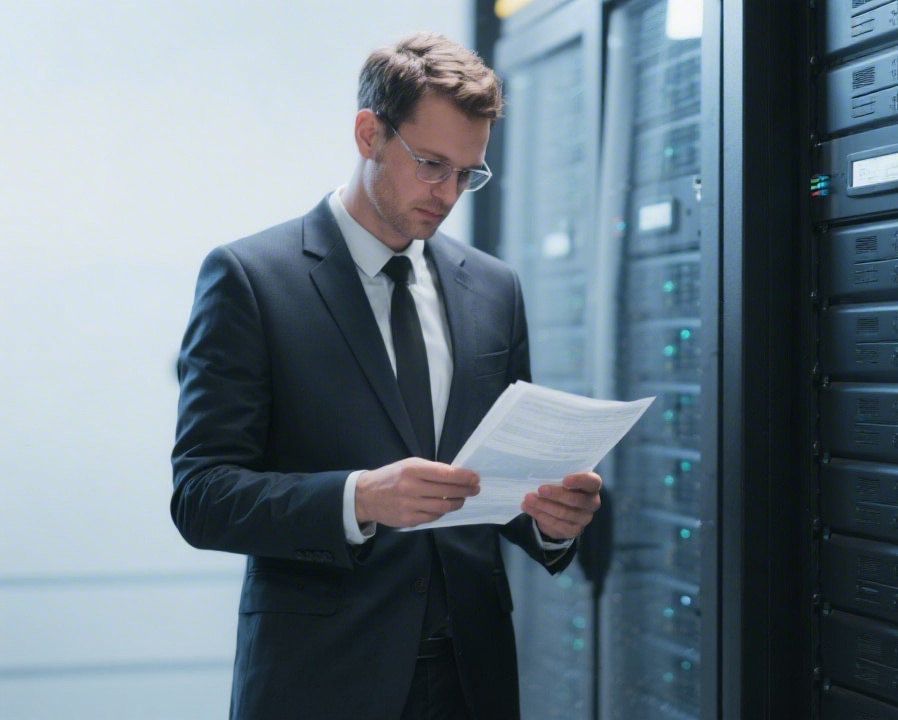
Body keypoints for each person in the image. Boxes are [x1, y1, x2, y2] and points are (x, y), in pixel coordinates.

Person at [170, 32, 603, 720]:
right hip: (322, 680)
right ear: (369, 133)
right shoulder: (251, 280)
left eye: (469, 173)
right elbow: (201, 495)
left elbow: (502, 483)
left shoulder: (494, 289)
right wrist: (358, 499)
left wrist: (552, 520)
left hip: (472, 680)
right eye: (431, 165)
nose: (449, 193)